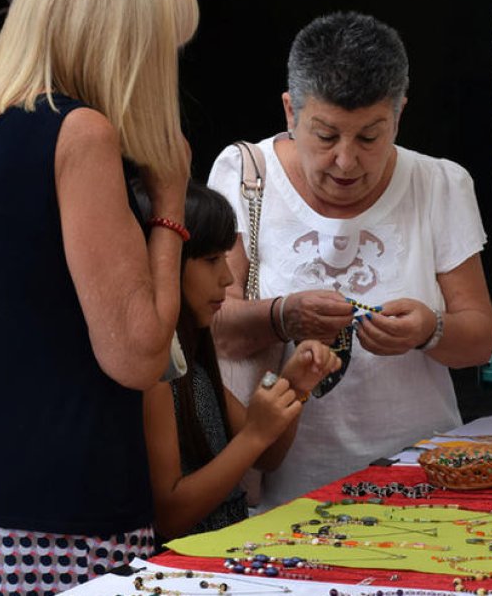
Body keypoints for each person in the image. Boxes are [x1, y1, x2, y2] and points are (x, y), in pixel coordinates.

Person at [0, 0, 198, 591]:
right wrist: (169, 205)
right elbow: (136, 355)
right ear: (124, 44)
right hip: (58, 511)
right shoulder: (78, 130)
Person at [208, 12, 492, 509]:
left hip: (421, 481)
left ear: (399, 114)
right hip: (285, 491)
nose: (346, 161)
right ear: (289, 112)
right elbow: (215, 327)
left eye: (369, 137)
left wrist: (429, 330)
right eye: (325, 136)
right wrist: (283, 316)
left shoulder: (439, 183)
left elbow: (480, 339)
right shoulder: (244, 175)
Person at [139, 182, 341, 540]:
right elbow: (169, 515)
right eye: (211, 260)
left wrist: (291, 387)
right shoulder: (155, 374)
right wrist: (255, 434)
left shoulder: (193, 365)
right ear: (165, 261)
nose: (228, 277)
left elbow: (266, 456)